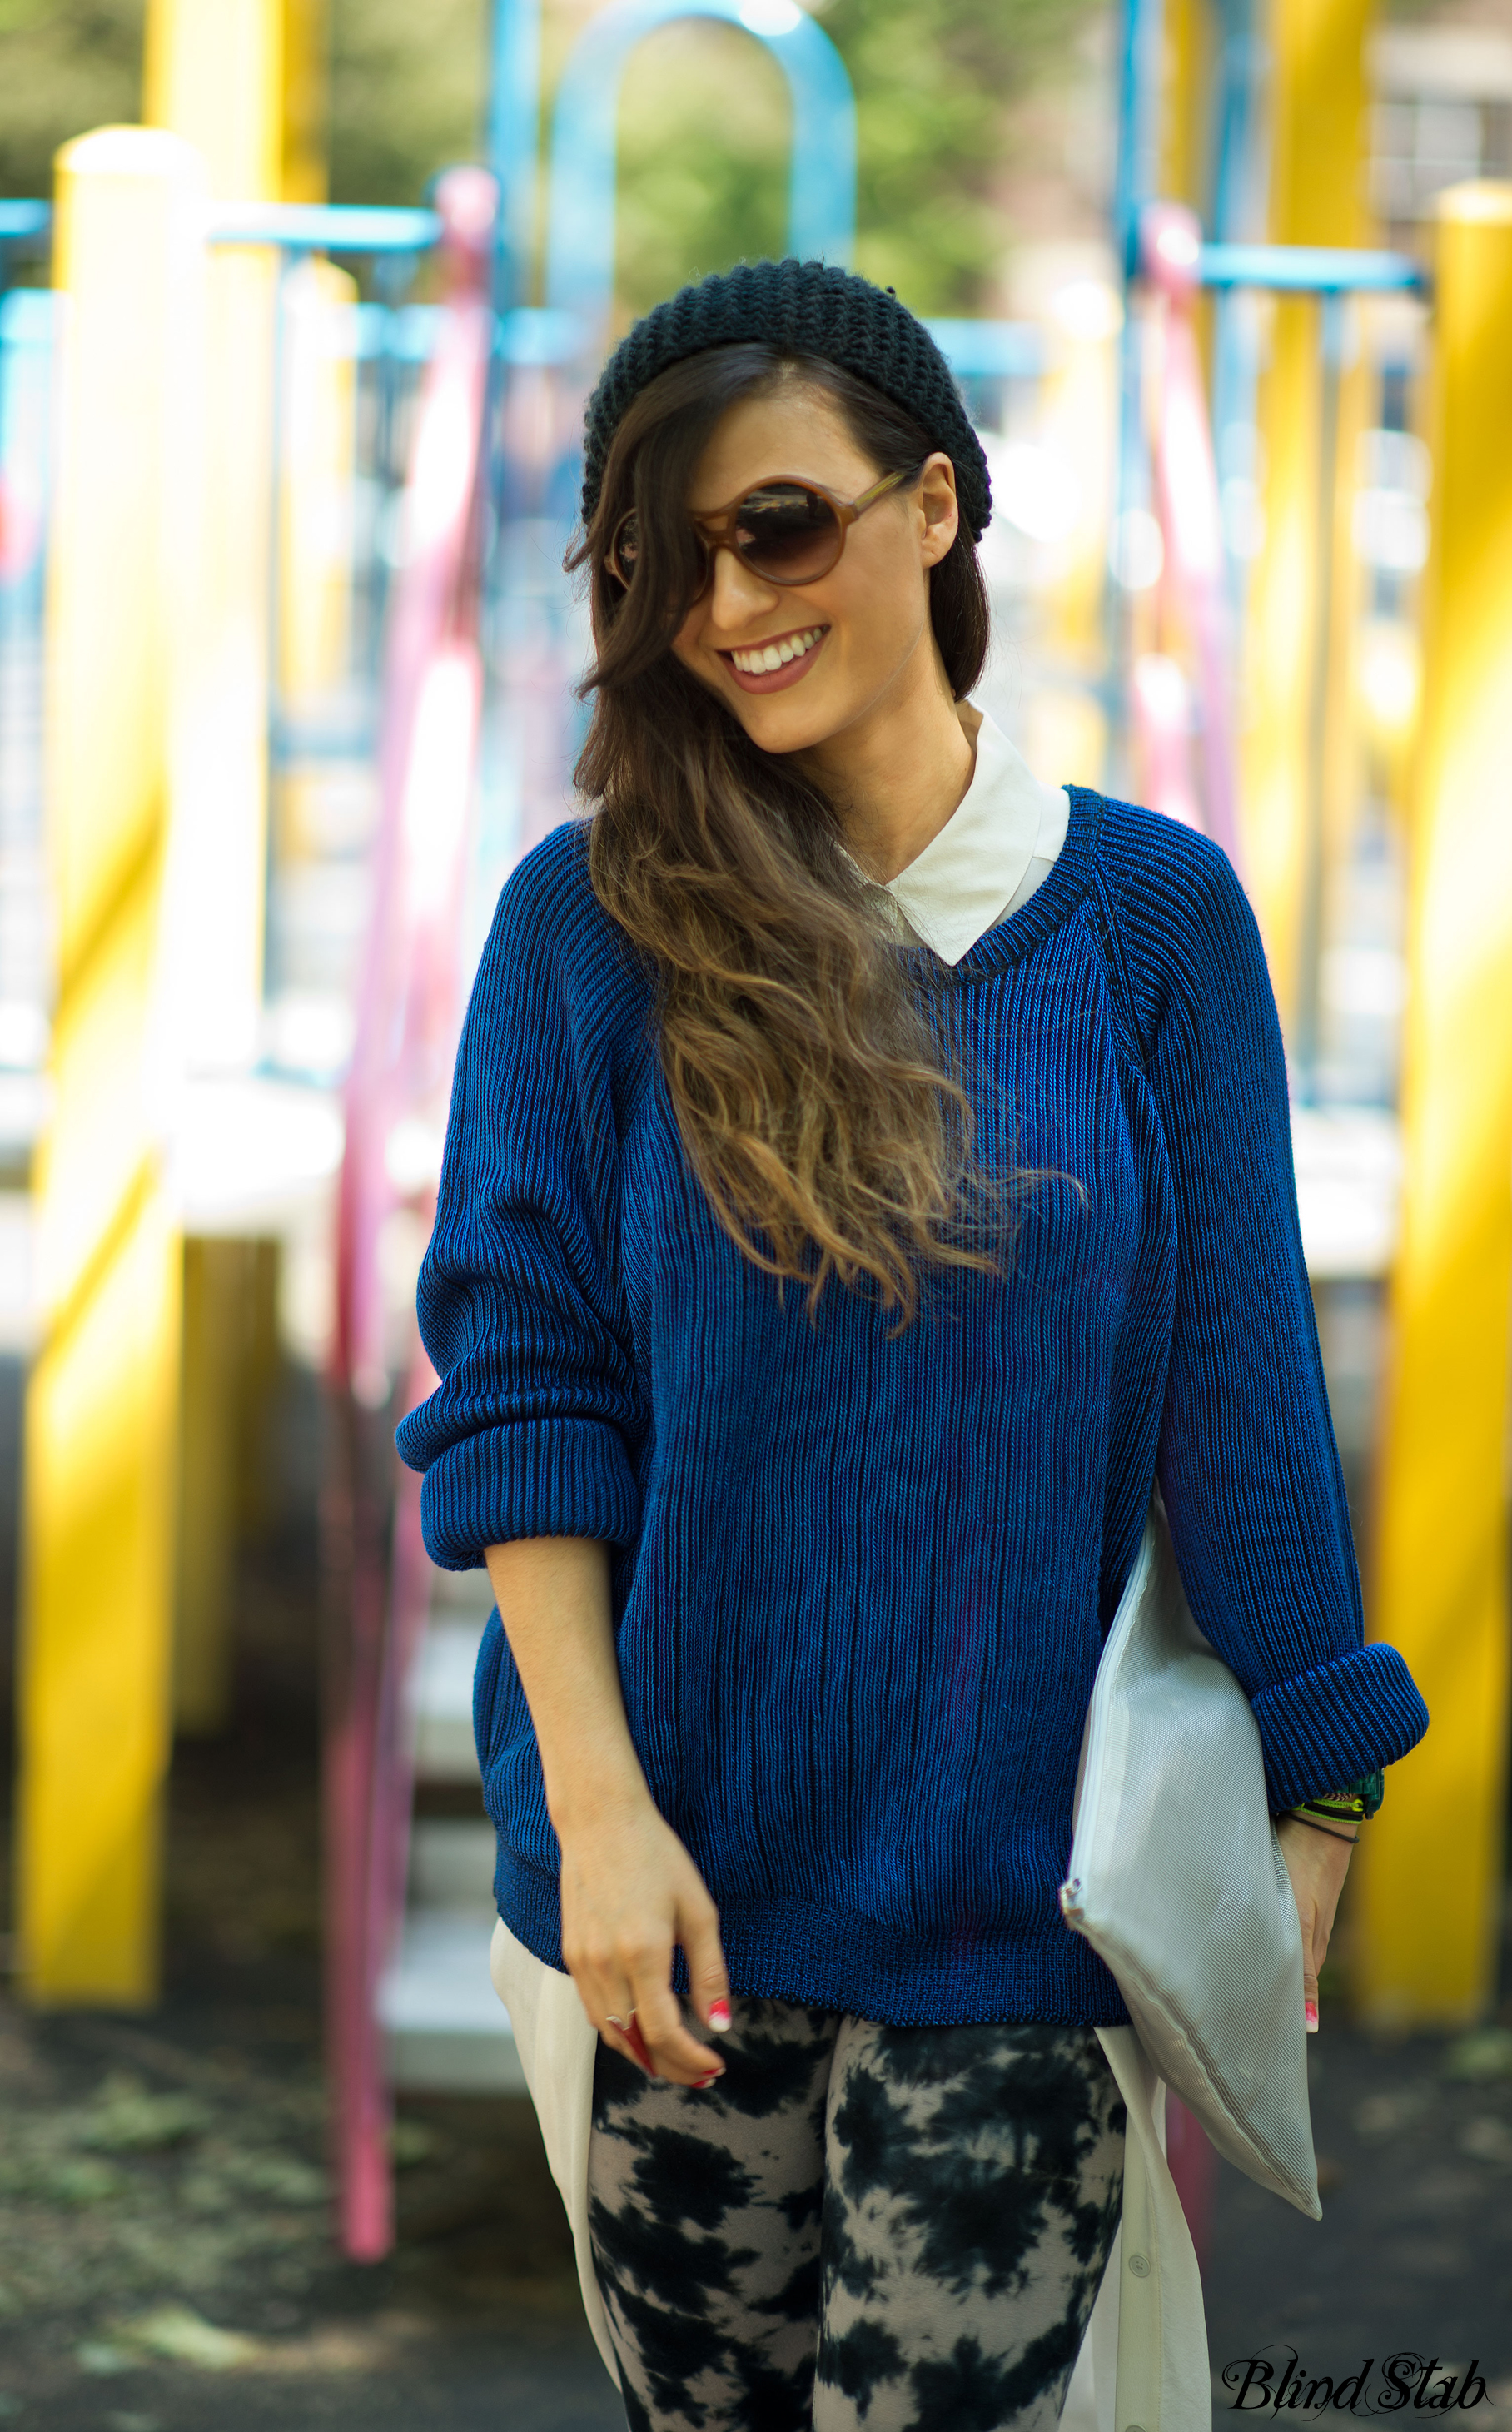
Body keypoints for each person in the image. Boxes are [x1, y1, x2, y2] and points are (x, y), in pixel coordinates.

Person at [396, 260, 1428, 2432]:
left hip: (1020, 1922)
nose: (727, 602)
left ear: (934, 508)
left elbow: (1235, 1386)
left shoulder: (1154, 921)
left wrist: (1319, 1786)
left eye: (780, 526)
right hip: (668, 1897)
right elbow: (526, 1389)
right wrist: (596, 1817)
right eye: (661, 560)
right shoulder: (582, 931)